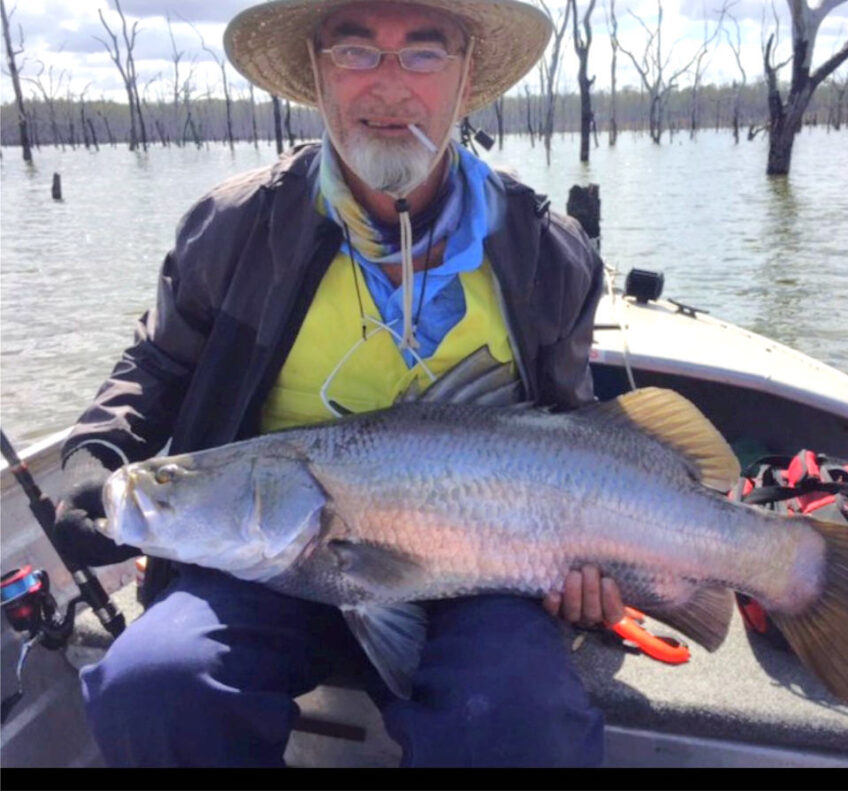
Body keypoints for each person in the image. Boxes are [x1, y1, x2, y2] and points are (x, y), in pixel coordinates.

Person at [54, 0, 624, 768]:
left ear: (467, 81)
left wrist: (588, 564)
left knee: (517, 719)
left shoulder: (545, 253)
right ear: (318, 74)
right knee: (154, 686)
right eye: (357, 51)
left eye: (424, 55)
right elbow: (157, 364)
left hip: (479, 574)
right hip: (261, 558)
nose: (389, 86)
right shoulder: (234, 227)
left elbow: (570, 426)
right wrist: (97, 450)